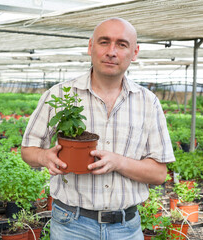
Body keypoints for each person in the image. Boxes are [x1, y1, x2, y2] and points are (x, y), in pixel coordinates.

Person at [21, 17, 175, 240]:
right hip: (71, 226)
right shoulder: (59, 95)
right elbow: (28, 150)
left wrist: (119, 162)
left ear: (135, 52)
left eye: (122, 44)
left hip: (126, 228)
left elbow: (160, 173)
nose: (112, 51)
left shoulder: (148, 102)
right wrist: (45, 156)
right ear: (90, 46)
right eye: (104, 42)